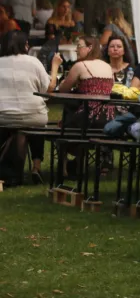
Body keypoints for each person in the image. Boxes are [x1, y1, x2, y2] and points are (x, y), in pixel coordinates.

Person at [0, 30, 50, 185]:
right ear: (25, 45)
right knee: (36, 122)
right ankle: (36, 166)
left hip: (3, 116)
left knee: (15, 125)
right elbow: (46, 90)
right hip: (33, 116)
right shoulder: (34, 62)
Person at [47, 35, 115, 125]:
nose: (76, 50)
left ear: (90, 48)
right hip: (109, 115)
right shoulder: (108, 66)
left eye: (79, 46)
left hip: (86, 116)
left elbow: (63, 90)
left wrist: (63, 81)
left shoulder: (80, 65)